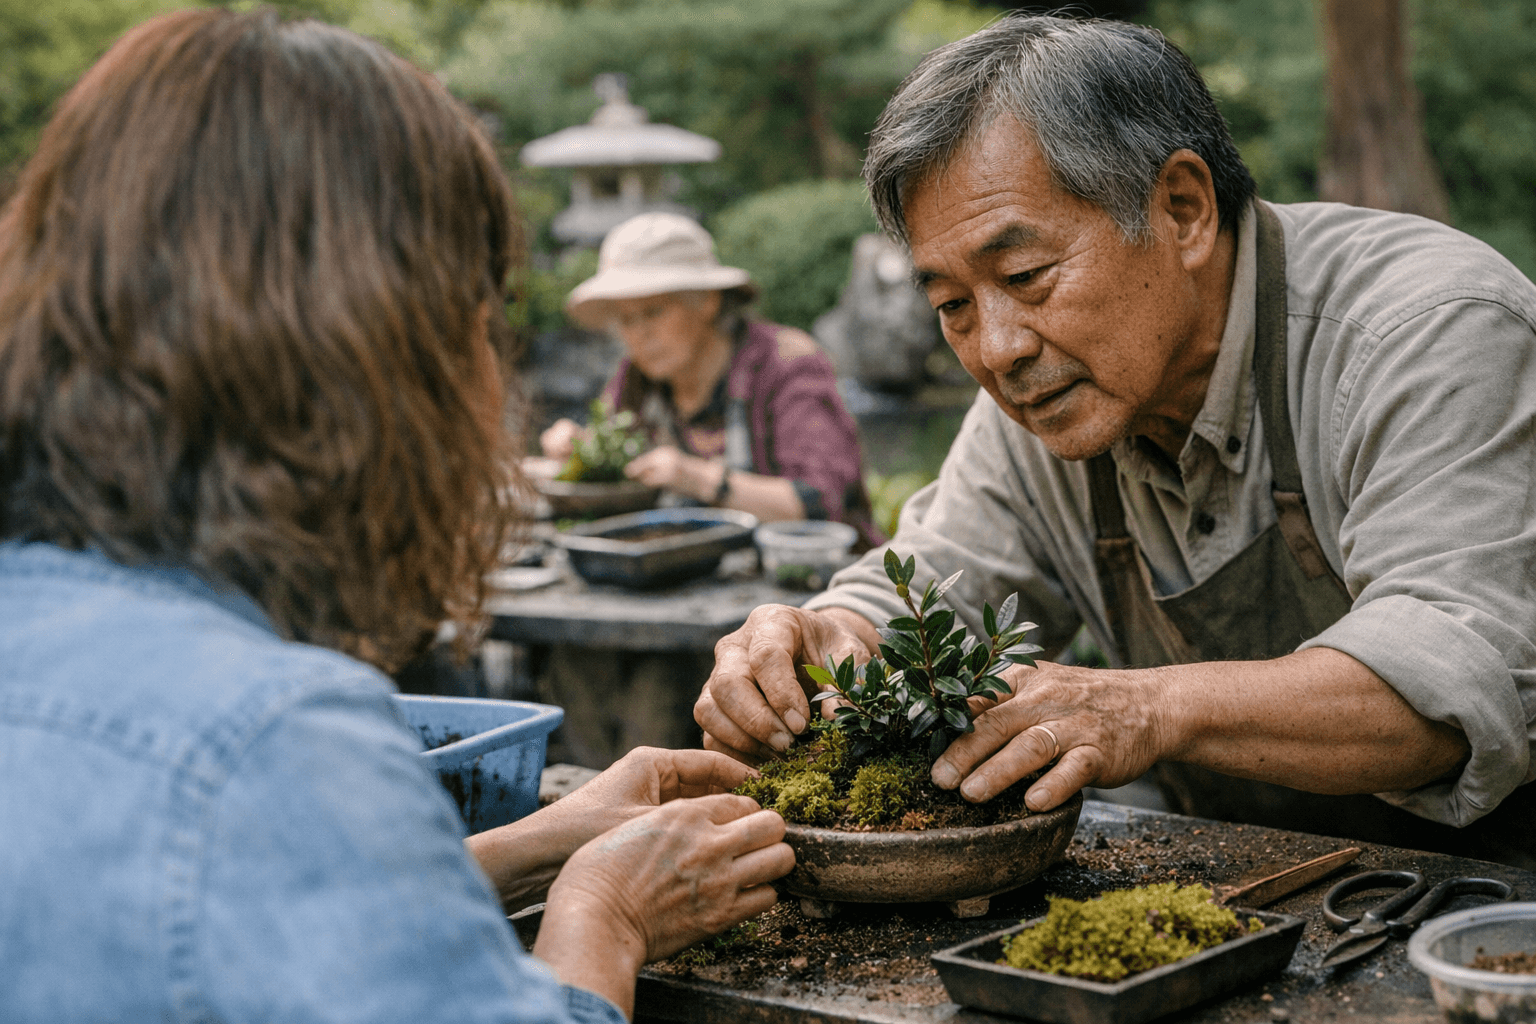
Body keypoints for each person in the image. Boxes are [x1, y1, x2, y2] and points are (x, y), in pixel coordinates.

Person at [0, 10, 792, 1024]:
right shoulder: (273, 739)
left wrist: (547, 838)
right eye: (483, 318)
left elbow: (219, 913)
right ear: (381, 357)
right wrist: (604, 912)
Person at [695, 14, 1536, 866]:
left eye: (1025, 277)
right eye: (952, 305)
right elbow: (933, 585)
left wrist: (1148, 709)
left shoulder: (1427, 332)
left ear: (1182, 209)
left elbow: (1450, 684)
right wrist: (827, 632)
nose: (997, 349)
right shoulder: (1054, 394)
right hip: (1255, 889)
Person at [541, 212, 880, 547]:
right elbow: (615, 472)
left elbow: (821, 504)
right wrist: (580, 451)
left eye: (654, 312)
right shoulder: (635, 378)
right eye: (626, 320)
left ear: (707, 301)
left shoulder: (787, 364)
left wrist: (695, 477)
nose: (640, 335)